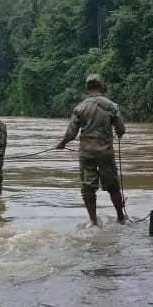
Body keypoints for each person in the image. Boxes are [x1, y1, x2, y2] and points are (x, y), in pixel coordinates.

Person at [56, 74, 128, 226]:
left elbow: (71, 133)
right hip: (106, 152)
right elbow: (121, 129)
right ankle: (121, 218)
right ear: (102, 86)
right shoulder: (111, 106)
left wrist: (62, 143)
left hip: (87, 153)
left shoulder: (80, 107)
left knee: (88, 188)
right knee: (113, 185)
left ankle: (94, 222)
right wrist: (119, 134)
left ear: (87, 88)